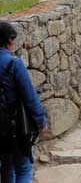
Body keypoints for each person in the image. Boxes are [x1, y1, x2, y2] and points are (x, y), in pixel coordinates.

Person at [0, 21, 47, 182]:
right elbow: (30, 97)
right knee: (24, 167)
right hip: (16, 127)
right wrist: (41, 120)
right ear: (9, 40)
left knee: (6, 166)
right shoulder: (14, 63)